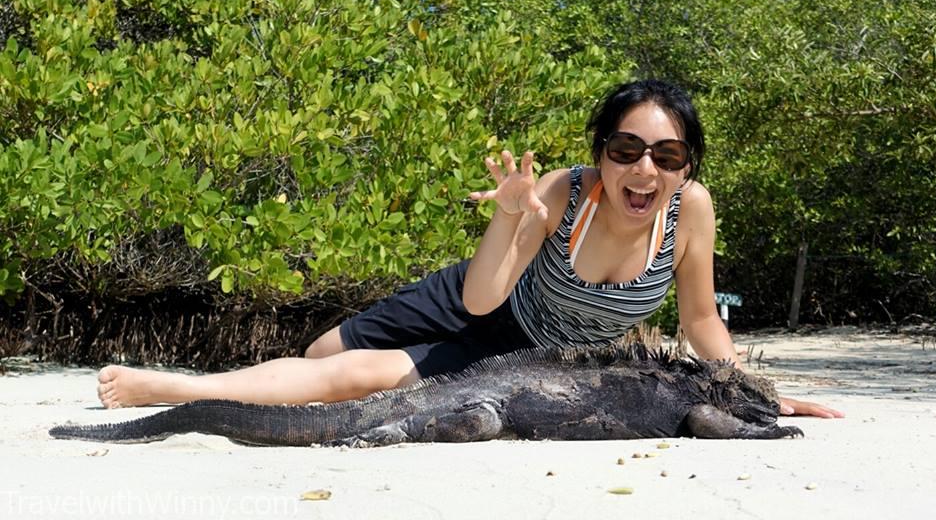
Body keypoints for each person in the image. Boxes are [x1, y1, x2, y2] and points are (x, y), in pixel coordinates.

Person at [96, 80, 842, 419]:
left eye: (668, 156)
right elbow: (480, 296)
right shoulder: (563, 194)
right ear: (601, 152)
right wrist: (510, 218)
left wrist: (752, 391)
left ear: (687, 166)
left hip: (528, 349)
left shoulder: (691, 213)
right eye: (626, 148)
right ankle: (218, 383)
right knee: (322, 352)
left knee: (350, 379)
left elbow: (704, 321)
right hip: (472, 294)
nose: (645, 169)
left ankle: (175, 389)